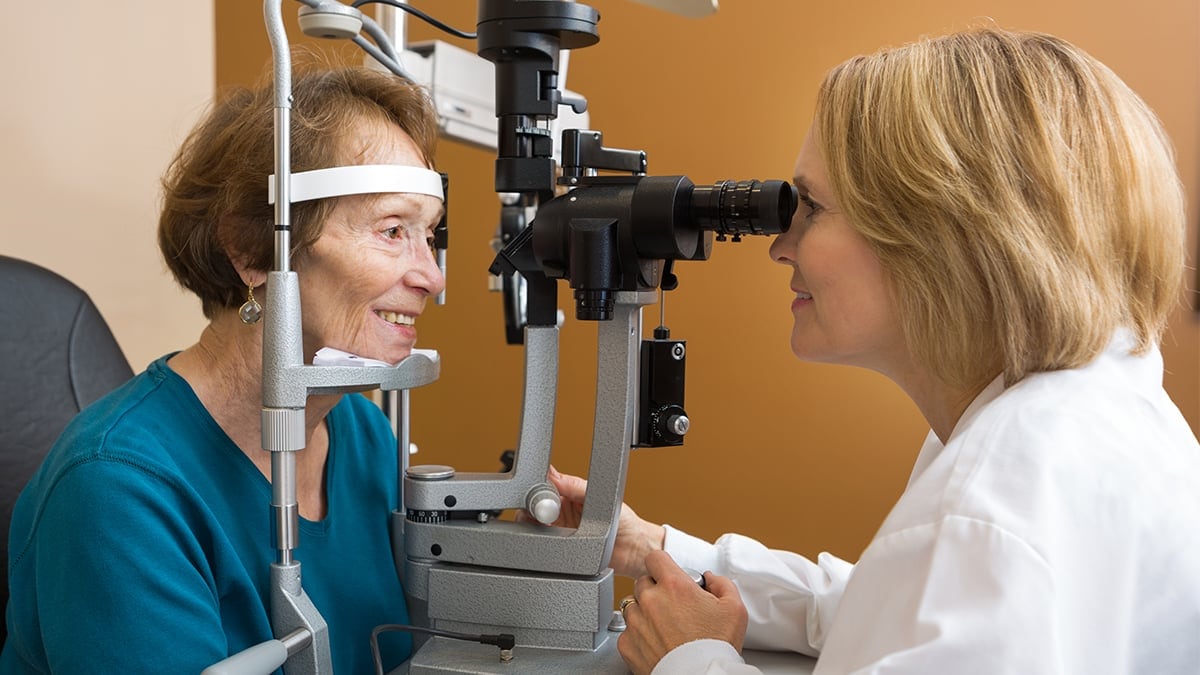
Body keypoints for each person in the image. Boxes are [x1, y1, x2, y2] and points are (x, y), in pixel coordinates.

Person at [547, 27, 1200, 674]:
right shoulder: (1073, 420)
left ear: (944, 231)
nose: (780, 245)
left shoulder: (997, 499)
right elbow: (894, 602)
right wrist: (655, 547)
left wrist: (693, 660)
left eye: (812, 207)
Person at [0, 57, 445, 673]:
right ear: (253, 250)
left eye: (431, 236)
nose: (432, 276)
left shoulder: (363, 435)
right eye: (392, 230)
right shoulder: (116, 492)